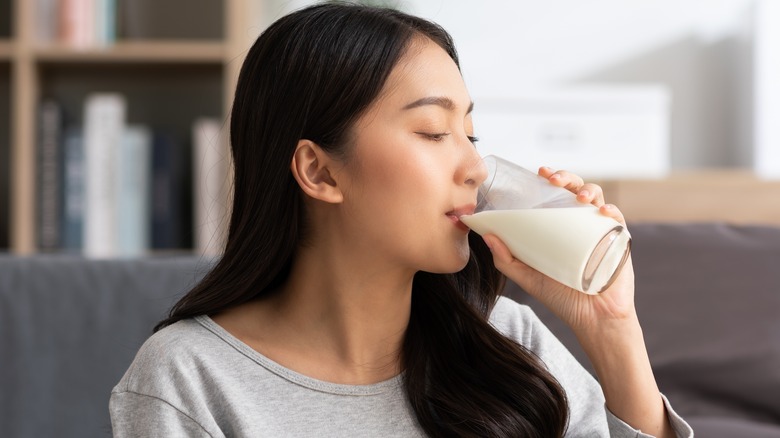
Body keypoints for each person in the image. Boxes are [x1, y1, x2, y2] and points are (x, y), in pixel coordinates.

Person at [109, 3, 693, 437]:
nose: (474, 167)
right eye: (435, 132)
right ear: (320, 172)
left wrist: (612, 327)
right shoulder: (189, 380)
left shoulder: (506, 343)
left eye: (472, 133)